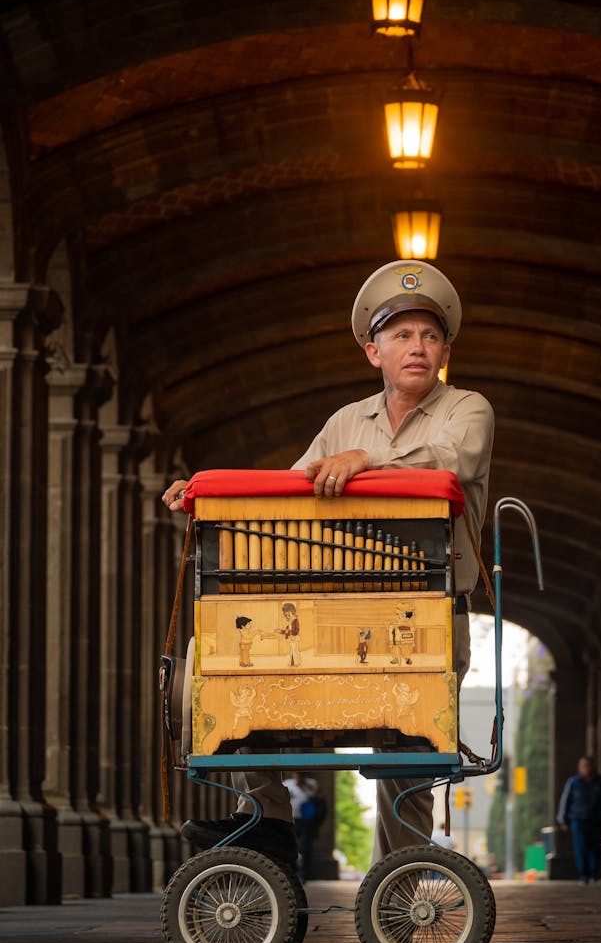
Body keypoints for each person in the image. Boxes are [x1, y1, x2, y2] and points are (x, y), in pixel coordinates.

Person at [162, 259, 495, 868]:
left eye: (429, 336)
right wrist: (207, 493)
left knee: (406, 761)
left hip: (428, 614)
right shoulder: (346, 420)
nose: (416, 348)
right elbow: (285, 496)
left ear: (445, 348)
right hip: (332, 613)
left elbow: (452, 463)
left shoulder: (467, 408)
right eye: (401, 336)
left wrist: (366, 462)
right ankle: (266, 825)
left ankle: (397, 884)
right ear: (374, 352)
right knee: (228, 682)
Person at [557, 756, 601, 885]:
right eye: (583, 766)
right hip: (578, 820)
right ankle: (584, 875)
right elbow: (565, 801)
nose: (586, 768)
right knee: (581, 848)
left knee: (596, 848)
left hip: (597, 820)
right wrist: (563, 820)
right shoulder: (573, 782)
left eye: (588, 765)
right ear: (579, 768)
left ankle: (594, 874)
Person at [282, 772, 321, 882]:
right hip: (291, 819)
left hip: (306, 820)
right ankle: (292, 871)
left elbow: (316, 795)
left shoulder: (311, 783)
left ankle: (305, 873)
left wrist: (303, 785)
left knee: (305, 846)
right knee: (290, 846)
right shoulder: (287, 784)